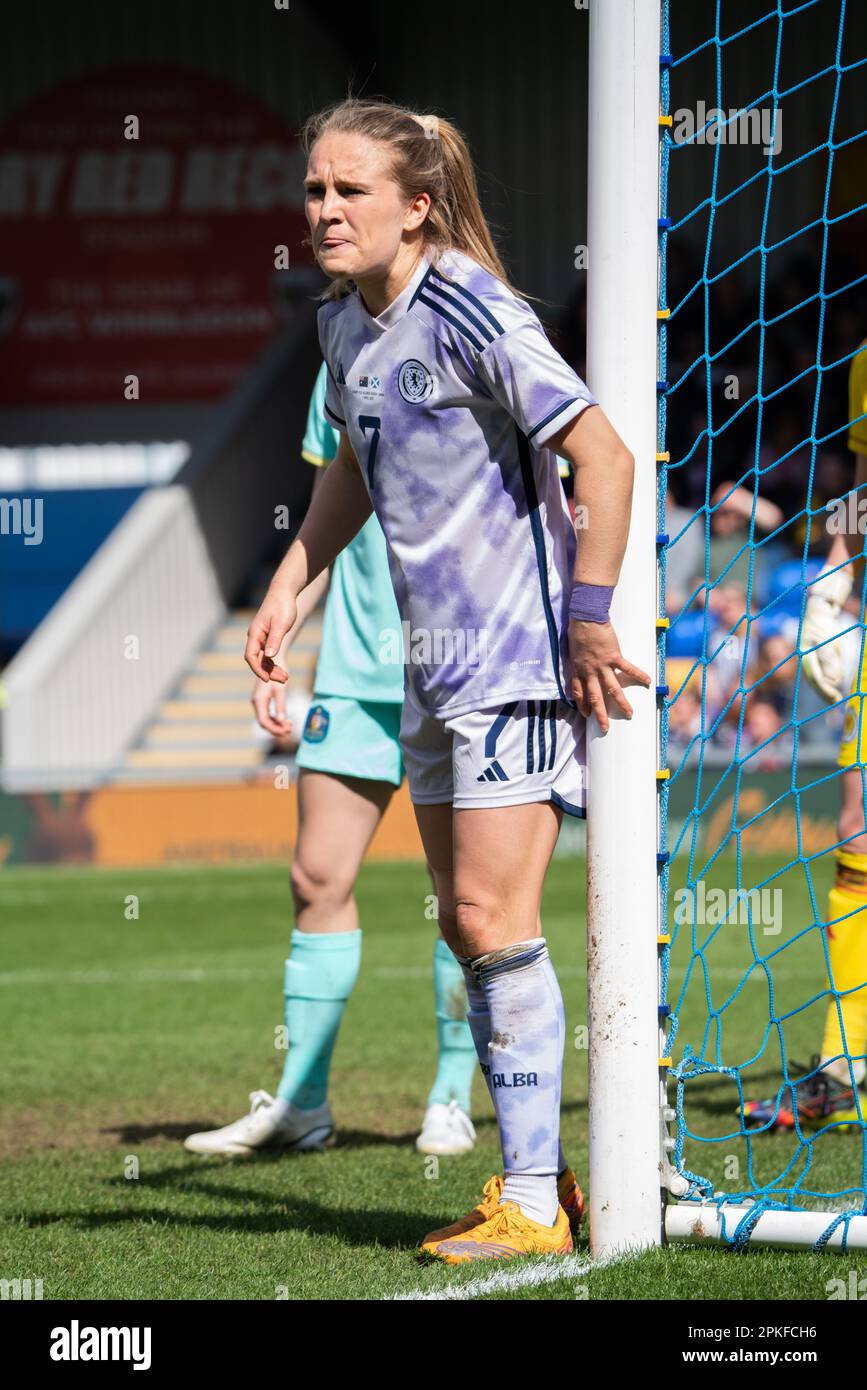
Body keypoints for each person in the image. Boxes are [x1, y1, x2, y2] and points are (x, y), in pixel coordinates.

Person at [245, 98, 649, 1264]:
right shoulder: (342, 327)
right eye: (315, 190)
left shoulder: (471, 304)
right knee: (474, 930)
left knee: (487, 915)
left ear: (416, 204)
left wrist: (587, 617)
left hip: (516, 653)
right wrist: (293, 580)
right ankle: (537, 1180)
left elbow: (604, 454)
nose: (324, 210)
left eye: (350, 190)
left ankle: (532, 1194)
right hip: (428, 669)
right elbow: (354, 476)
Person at [185, 362, 478, 1160]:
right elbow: (326, 516)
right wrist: (281, 633)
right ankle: (303, 1104)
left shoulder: (479, 344)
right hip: (352, 671)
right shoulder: (338, 364)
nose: (325, 227)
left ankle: (451, 1098)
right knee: (316, 877)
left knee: (463, 900)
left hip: (457, 667)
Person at [744, 339, 867, 1131]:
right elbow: (865, 485)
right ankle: (841, 1067)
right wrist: (835, 573)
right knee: (856, 829)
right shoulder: (862, 361)